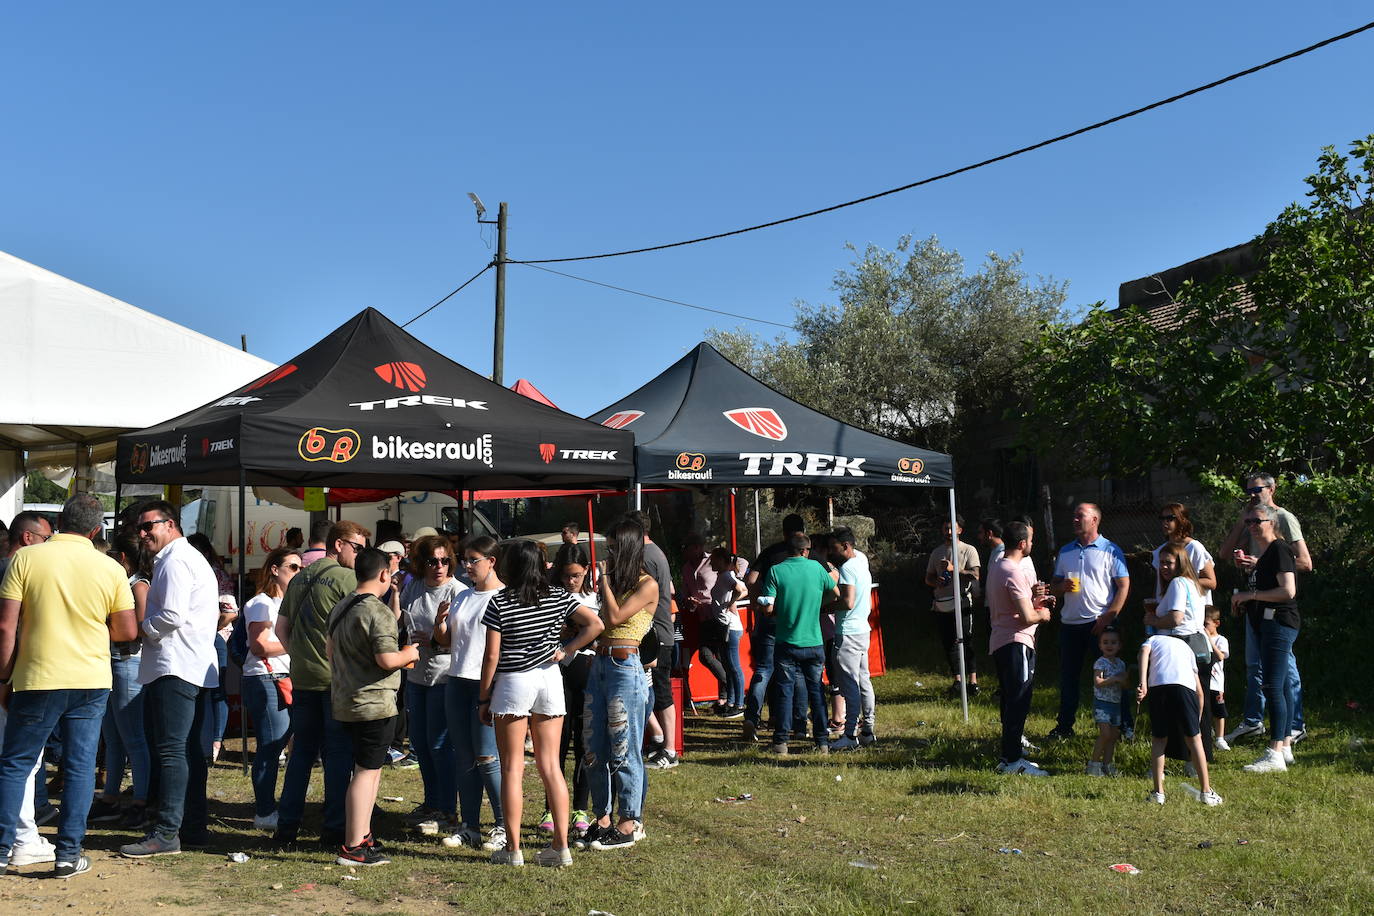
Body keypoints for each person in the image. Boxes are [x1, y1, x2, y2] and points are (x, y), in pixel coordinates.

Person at [0, 493, 136, 878]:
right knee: (78, 768)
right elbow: (127, 630)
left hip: (36, 675)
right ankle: (67, 854)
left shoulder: (25, 558)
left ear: (60, 522)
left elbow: (6, 625)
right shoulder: (108, 567)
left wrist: (3, 677)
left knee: (16, 763)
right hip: (90, 678)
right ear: (96, 529)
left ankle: (1, 847)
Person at [479, 540, 603, 866]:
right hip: (549, 678)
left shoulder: (500, 601)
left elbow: (492, 655)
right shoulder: (559, 596)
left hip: (513, 681)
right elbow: (596, 624)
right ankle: (560, 847)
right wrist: (567, 648)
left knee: (512, 768)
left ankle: (513, 849)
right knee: (551, 767)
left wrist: (483, 696)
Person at [119, 500, 220, 858]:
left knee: (173, 750)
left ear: (171, 524)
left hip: (175, 665)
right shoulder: (183, 558)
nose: (144, 533)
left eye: (150, 526)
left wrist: (141, 630)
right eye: (141, 528)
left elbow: (173, 615)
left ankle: (167, 833)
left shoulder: (176, 560)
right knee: (188, 750)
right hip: (186, 664)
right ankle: (191, 827)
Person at [271, 520, 370, 848]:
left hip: (303, 679)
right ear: (339, 544)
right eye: (356, 548)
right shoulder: (347, 578)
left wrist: (299, 657)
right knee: (338, 755)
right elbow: (363, 629)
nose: (359, 555)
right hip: (335, 681)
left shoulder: (299, 578)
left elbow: (281, 629)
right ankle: (334, 828)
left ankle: (286, 828)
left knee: (301, 755)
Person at [327, 548, 420, 866]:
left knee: (369, 770)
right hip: (373, 704)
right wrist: (409, 652)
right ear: (383, 575)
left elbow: (330, 650)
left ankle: (363, 835)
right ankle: (353, 846)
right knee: (366, 773)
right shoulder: (376, 612)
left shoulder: (342, 605)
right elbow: (386, 659)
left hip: (345, 699)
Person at [580, 518, 658, 851]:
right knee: (593, 745)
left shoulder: (647, 584)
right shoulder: (620, 582)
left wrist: (606, 582)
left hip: (626, 666)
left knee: (623, 745)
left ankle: (629, 821)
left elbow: (613, 618)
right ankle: (603, 817)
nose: (608, 552)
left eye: (613, 547)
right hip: (601, 663)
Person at [1220, 472, 1310, 746]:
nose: (1251, 495)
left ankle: (1294, 727)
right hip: (1255, 603)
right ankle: (1254, 721)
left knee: (1284, 668)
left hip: (1276, 603)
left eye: (1256, 490)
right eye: (1247, 490)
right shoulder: (1249, 520)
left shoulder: (1283, 519)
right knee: (1254, 665)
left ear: (1272, 489)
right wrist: (1241, 523)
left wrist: (1261, 563)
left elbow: (1305, 563)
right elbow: (1223, 554)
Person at [435, 535, 507, 853]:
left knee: (487, 757)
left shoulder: (504, 597)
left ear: (491, 561)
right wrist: (439, 625)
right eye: (464, 559)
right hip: (457, 680)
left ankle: (504, 824)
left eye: (473, 560)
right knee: (464, 757)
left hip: (487, 684)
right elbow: (449, 640)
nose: (466, 566)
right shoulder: (463, 597)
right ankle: (470, 826)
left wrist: (489, 693)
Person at [1047, 504, 1129, 740]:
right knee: (1068, 677)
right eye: (1073, 515)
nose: (1074, 519)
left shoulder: (1110, 550)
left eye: (1079, 516)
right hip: (1070, 625)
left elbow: (1124, 585)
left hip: (1099, 624)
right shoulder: (1065, 551)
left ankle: (1123, 726)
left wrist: (1109, 616)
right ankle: (1064, 727)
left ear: (1094, 520)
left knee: (1112, 676)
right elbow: (1055, 585)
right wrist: (1060, 587)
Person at [89, 530, 153, 830]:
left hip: (128, 662)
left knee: (133, 738)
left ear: (122, 557)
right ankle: (110, 798)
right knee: (114, 737)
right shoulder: (128, 581)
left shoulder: (137, 583)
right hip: (116, 661)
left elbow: (139, 627)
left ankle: (141, 802)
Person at [1230, 503, 1300, 773]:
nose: (1251, 526)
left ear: (1272, 522)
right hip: (1268, 623)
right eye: (1247, 522)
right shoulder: (1267, 553)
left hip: (1279, 623)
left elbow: (1288, 591)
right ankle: (1285, 747)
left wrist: (1250, 596)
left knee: (1272, 685)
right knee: (1279, 686)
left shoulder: (1280, 549)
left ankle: (1274, 754)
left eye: (1256, 521)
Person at [397, 534, 460, 835]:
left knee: (439, 745)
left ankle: (447, 809)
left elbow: (467, 641)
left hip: (444, 676)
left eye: (445, 560)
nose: (439, 566)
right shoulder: (414, 587)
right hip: (415, 675)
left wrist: (435, 643)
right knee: (420, 744)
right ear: (421, 564)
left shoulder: (458, 591)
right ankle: (431, 802)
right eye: (432, 561)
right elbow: (401, 623)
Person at [760, 533, 840, 755]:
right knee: (816, 690)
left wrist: (778, 610)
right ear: (806, 550)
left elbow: (767, 607)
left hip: (786, 641)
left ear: (789, 550)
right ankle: (822, 741)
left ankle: (781, 742)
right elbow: (835, 593)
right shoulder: (816, 568)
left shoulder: (776, 571)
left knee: (785, 690)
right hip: (814, 641)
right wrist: (817, 605)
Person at [1152, 503, 1219, 759]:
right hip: (1168, 624)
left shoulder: (1194, 547)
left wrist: (1183, 582)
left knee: (1196, 693)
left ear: (1182, 520)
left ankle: (1200, 752)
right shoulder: (1160, 551)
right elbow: (1159, 585)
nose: (1165, 522)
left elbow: (1211, 581)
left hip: (1190, 626)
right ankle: (1177, 751)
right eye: (1162, 517)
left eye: (1170, 517)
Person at [240, 546, 300, 830]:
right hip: (267, 678)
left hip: (283, 676)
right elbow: (259, 645)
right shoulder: (261, 603)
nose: (298, 573)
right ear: (275, 570)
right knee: (271, 746)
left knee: (282, 744)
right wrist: (297, 643)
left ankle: (275, 807)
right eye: (293, 567)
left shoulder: (287, 603)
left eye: (301, 568)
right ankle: (264, 812)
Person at [987, 521, 1052, 776]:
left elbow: (1013, 606)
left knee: (1010, 698)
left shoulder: (997, 566)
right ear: (1022, 543)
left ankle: (1008, 756)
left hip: (1002, 639)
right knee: (1018, 700)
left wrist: (1036, 601)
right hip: (1016, 641)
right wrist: (1043, 613)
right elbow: (1026, 616)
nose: (1032, 545)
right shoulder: (1013, 571)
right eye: (1031, 540)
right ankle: (1013, 760)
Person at [547, 543, 599, 836]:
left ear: (586, 572)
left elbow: (600, 630)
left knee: (583, 741)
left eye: (577, 576)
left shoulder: (594, 598)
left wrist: (579, 637)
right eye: (566, 576)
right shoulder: (549, 597)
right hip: (553, 674)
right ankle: (551, 807)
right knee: (554, 743)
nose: (571, 582)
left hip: (585, 672)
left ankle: (581, 806)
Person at [1136, 632, 1223, 805]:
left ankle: (1158, 793)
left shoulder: (1153, 639)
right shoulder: (1187, 649)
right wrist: (1196, 721)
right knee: (1194, 740)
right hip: (1185, 689)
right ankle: (1206, 791)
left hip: (1158, 687)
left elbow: (1144, 653)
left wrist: (1143, 682)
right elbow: (1199, 692)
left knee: (1159, 739)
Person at [742, 514, 806, 743]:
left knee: (765, 669)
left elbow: (750, 580)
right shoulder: (808, 554)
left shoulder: (770, 552)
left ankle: (752, 717)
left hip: (770, 617)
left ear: (783, 531)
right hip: (797, 619)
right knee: (796, 671)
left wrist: (757, 602)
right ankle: (799, 725)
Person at [625, 511, 678, 769]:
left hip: (657, 634)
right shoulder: (655, 551)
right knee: (649, 688)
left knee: (662, 691)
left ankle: (670, 749)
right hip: (656, 631)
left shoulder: (646, 556)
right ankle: (658, 737)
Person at [828, 528, 875, 750]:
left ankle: (849, 735)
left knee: (849, 686)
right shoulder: (862, 559)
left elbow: (847, 601)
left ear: (845, 546)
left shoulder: (846, 568)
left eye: (834, 548)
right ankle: (868, 730)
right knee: (864, 680)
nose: (831, 552)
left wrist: (824, 607)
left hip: (847, 631)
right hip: (863, 629)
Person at [925, 516, 981, 698]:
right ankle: (957, 680)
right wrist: (937, 581)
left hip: (962, 601)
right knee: (949, 642)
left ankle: (973, 681)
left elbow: (975, 575)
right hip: (942, 603)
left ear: (960, 530)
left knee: (966, 640)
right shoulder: (936, 553)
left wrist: (954, 570)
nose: (948, 532)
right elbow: (928, 578)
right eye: (945, 528)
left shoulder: (968, 550)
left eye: (952, 528)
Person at [700, 547, 747, 717]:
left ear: (721, 560)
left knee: (734, 667)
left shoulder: (727, 575)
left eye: (713, 559)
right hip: (724, 625)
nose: (710, 562)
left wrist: (731, 602)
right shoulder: (723, 576)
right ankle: (732, 701)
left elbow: (742, 590)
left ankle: (739, 704)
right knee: (728, 666)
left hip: (730, 626)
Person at [1086, 629, 1127, 776]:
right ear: (1100, 646)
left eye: (1113, 642)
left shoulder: (1121, 664)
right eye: (1105, 642)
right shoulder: (1100, 662)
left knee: (1113, 736)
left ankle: (1107, 765)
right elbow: (1098, 682)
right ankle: (1094, 765)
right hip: (1102, 703)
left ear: (1119, 646)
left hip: (1115, 704)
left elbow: (1125, 684)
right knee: (1105, 734)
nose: (1109, 645)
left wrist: (1124, 682)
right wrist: (1115, 679)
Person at [1204, 608, 1231, 750]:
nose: (1204, 627)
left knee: (1219, 711)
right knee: (1204, 710)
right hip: (1203, 682)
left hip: (1216, 683)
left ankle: (1220, 738)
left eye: (1206, 623)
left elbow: (1221, 656)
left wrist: (1209, 640)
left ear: (1216, 623)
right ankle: (1207, 734)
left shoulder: (1221, 640)